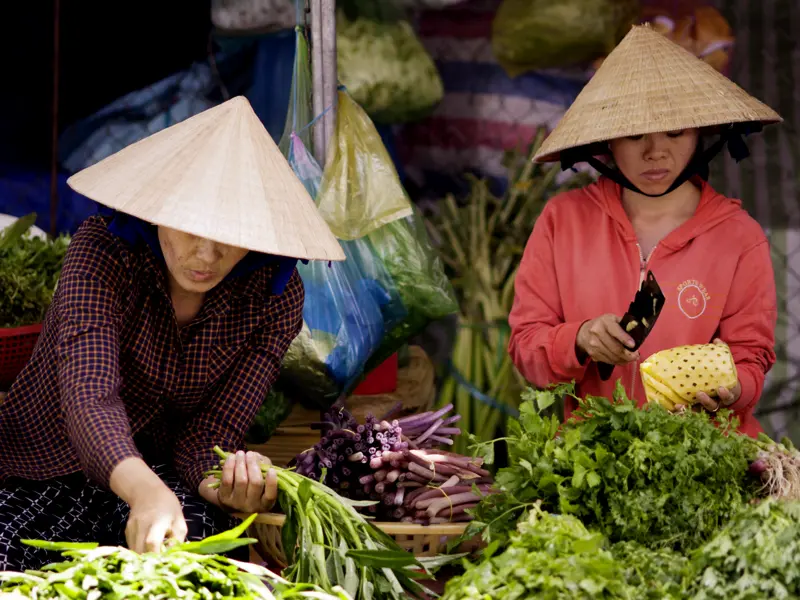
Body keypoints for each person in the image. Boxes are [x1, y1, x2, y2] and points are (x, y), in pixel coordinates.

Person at [0, 96, 344, 570]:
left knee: (199, 562)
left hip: (165, 479)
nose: (205, 255)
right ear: (157, 208)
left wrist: (223, 485)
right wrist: (146, 494)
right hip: (42, 468)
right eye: (188, 227)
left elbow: (212, 432)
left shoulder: (275, 296)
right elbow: (89, 396)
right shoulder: (102, 254)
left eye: (230, 234)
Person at [508, 24, 782, 437]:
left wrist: (732, 387)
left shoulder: (739, 237)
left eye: (675, 132)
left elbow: (751, 361)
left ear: (701, 134)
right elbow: (526, 348)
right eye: (635, 134)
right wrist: (578, 340)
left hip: (705, 455)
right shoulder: (562, 221)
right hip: (593, 456)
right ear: (607, 142)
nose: (656, 151)